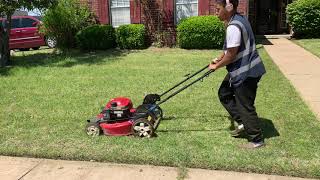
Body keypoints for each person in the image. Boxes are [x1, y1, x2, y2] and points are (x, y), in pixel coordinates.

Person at [208, 0, 266, 149]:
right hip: (243, 68)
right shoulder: (239, 19)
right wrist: (220, 57)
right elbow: (230, 49)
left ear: (229, 7)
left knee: (245, 105)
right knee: (224, 93)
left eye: (218, 8)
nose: (216, 12)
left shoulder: (233, 26)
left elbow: (232, 55)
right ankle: (242, 122)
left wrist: (217, 66)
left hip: (246, 71)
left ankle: (257, 140)